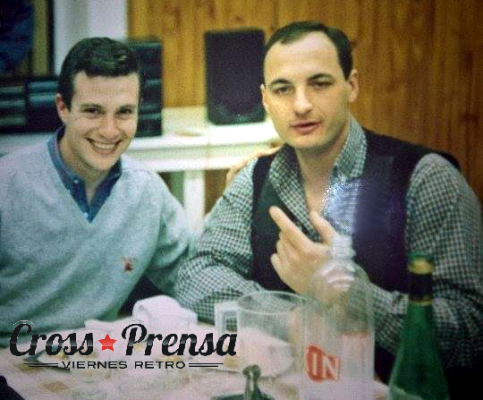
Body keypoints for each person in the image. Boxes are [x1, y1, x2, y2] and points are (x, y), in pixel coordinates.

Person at [176, 21, 483, 394]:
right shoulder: (254, 178)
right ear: (265, 99)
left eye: (319, 84)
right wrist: (292, 318)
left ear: (351, 85)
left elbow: (471, 330)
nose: (301, 105)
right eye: (283, 89)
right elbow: (196, 277)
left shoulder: (425, 178)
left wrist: (347, 295)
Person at [0, 37, 191, 346]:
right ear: (63, 108)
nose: (109, 130)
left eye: (124, 112)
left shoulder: (147, 191)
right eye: (93, 111)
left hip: (98, 361)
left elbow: (194, 278)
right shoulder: (6, 185)